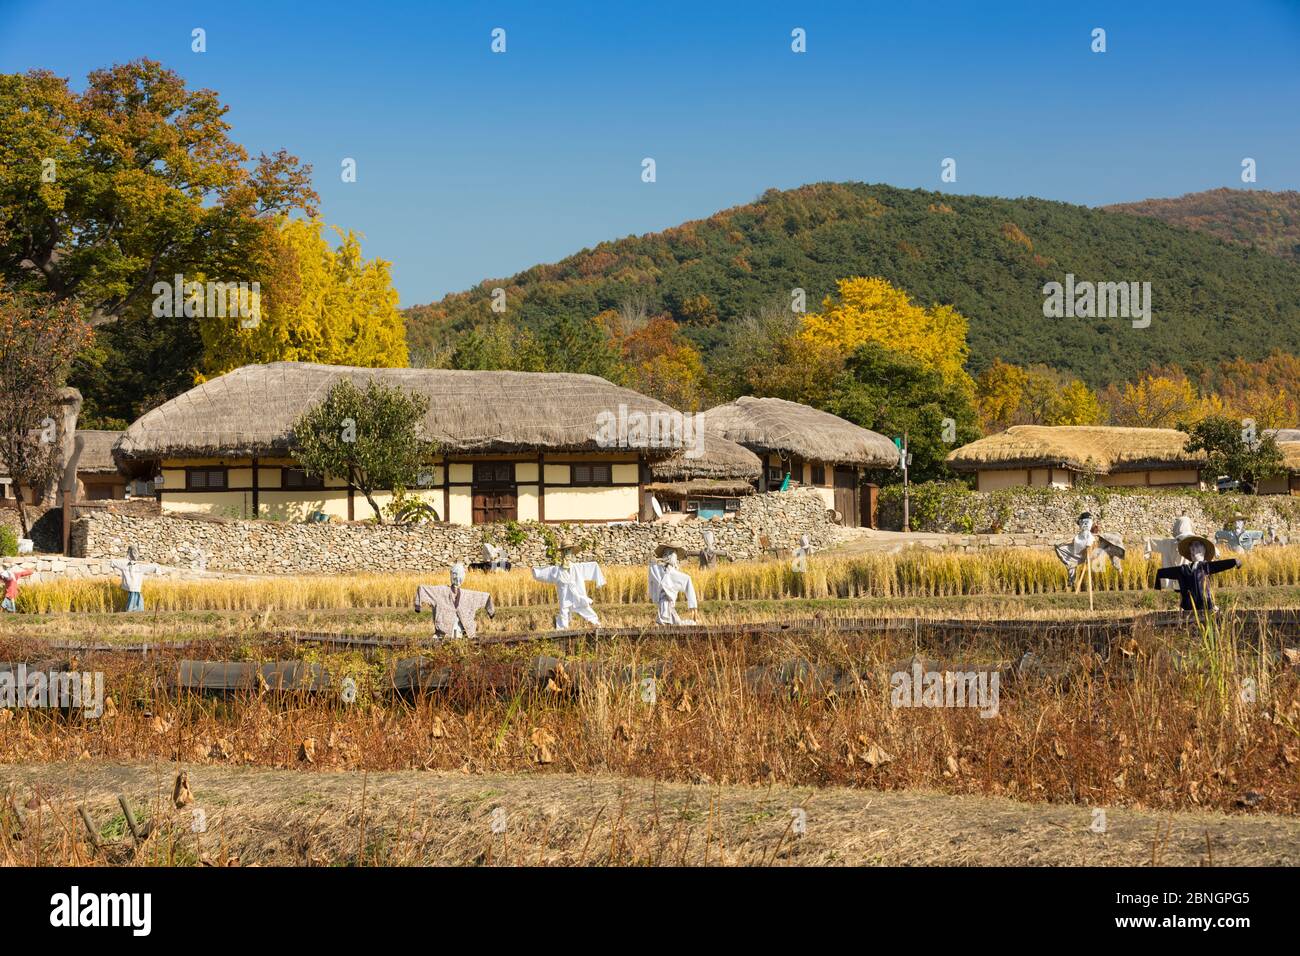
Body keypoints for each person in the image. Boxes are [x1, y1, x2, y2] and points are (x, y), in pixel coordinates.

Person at [1154, 534, 1241, 612]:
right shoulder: (1183, 569)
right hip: (1188, 607)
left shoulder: (1205, 567)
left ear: (1203, 550)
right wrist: (1158, 585)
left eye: (1196, 545)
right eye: (1191, 546)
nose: (1193, 548)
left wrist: (1234, 561)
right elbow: (1162, 573)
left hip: (1205, 605)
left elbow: (1219, 565)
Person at [532, 539, 605, 629]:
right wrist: (536, 571)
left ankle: (596, 624)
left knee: (583, 606)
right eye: (565, 551)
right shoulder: (557, 570)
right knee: (564, 609)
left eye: (569, 550)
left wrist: (595, 567)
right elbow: (546, 572)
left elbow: (592, 566)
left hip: (577, 592)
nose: (567, 553)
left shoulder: (578, 568)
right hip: (564, 593)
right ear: (562, 553)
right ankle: (563, 628)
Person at [414, 562, 495, 640]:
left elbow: (486, 597)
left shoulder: (469, 596)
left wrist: (491, 611)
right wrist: (418, 606)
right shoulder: (439, 592)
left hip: (464, 634)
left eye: (457, 575)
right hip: (444, 635)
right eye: (455, 575)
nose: (456, 577)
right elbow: (422, 589)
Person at [1054, 512, 1124, 587]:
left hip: (1093, 547)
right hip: (1084, 548)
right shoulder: (1083, 529)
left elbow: (1093, 533)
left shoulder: (1093, 530)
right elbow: (1083, 534)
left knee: (1112, 544)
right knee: (1070, 561)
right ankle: (1071, 579)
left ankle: (1119, 570)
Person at [648, 542, 698, 625]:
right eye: (666, 554)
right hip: (662, 605)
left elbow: (688, 584)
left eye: (670, 554)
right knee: (673, 623)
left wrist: (693, 605)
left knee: (675, 623)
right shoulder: (656, 570)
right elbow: (652, 580)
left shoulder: (679, 576)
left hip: (669, 605)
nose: (668, 556)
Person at [110, 546, 160, 612]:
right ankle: (133, 610)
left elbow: (113, 562)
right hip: (135, 585)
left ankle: (134, 609)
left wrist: (156, 568)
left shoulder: (130, 565)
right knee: (134, 597)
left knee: (134, 596)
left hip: (132, 584)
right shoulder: (134, 565)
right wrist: (157, 568)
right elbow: (151, 568)